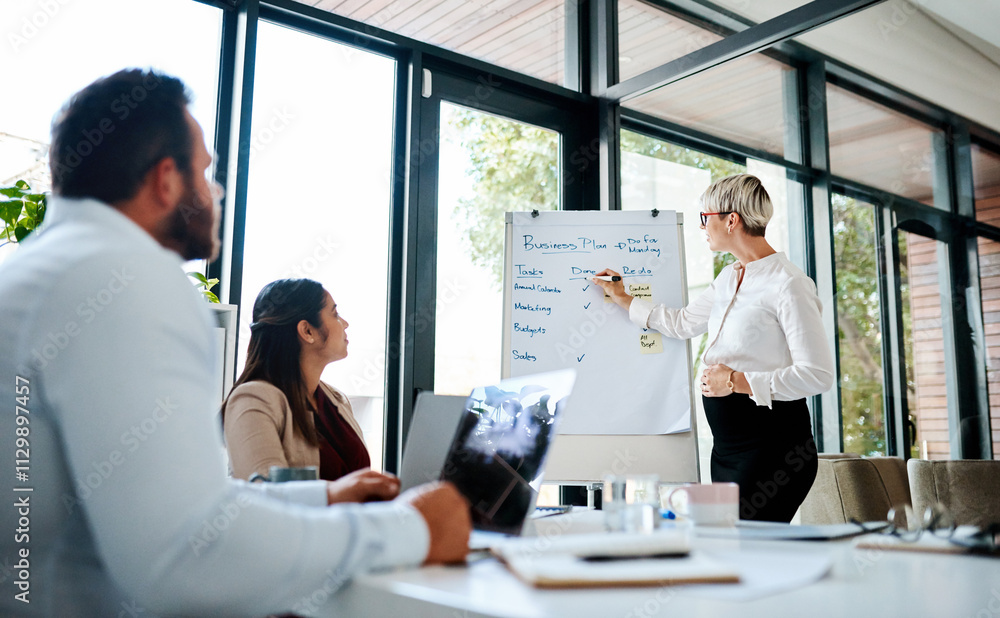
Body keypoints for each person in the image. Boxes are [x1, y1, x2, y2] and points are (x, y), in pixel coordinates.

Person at [0, 69, 470, 617]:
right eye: (205, 172)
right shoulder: (124, 279)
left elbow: (170, 505)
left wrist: (322, 496)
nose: (215, 191)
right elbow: (188, 555)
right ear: (165, 180)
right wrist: (410, 531)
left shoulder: (37, 274)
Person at [593, 174, 835, 523]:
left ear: (731, 219)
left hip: (773, 448)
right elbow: (683, 323)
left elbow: (817, 375)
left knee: (747, 550)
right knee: (732, 548)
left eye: (705, 218)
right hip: (728, 448)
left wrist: (736, 381)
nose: (702, 227)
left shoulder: (789, 285)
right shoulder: (728, 277)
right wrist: (623, 298)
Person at [223, 278, 384, 488]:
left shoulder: (337, 401)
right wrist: (344, 493)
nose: (345, 323)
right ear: (307, 331)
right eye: (335, 314)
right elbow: (264, 496)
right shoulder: (253, 400)